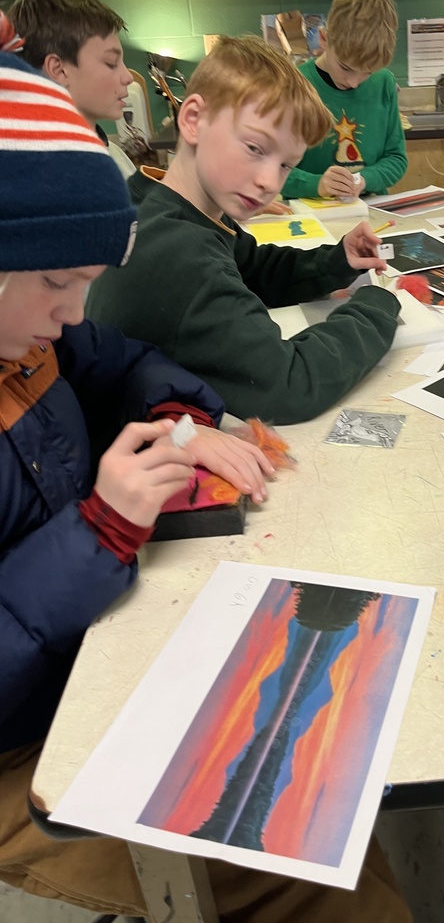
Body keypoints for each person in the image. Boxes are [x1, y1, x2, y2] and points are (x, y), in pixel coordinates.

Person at [0, 51, 411, 923]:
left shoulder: (29, 333)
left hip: (90, 651)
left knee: (320, 759)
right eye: (60, 283)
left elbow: (122, 357)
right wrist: (102, 528)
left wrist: (201, 418)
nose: (78, 311)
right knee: (310, 859)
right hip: (26, 753)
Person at [86, 35, 401, 426]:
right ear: (193, 120)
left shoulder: (161, 202)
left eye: (286, 165)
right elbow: (290, 385)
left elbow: (251, 267)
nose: (271, 181)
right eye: (255, 148)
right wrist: (377, 305)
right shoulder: (179, 251)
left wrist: (336, 261)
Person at [280, 0, 407, 202]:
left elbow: (396, 158)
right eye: (346, 68)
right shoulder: (295, 85)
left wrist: (364, 179)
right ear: (324, 39)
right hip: (310, 215)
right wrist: (316, 184)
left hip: (370, 209)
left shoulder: (384, 83)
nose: (354, 82)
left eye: (368, 72)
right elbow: (272, 167)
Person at [7, 0, 138, 178]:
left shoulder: (111, 154)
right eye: (111, 63)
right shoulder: (48, 177)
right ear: (59, 70)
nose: (128, 77)